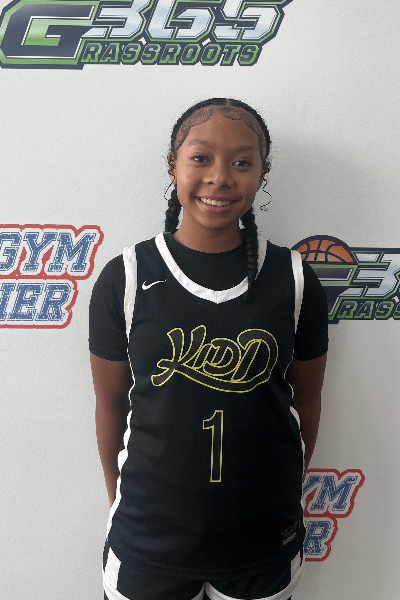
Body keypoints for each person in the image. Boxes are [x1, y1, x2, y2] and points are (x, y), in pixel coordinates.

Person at [89, 98, 328, 600]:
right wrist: (120, 502)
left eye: (242, 161)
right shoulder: (125, 276)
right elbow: (110, 405)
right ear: (172, 165)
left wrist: (283, 493)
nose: (220, 178)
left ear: (262, 173)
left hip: (261, 540)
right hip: (148, 543)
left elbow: (306, 402)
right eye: (201, 158)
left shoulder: (293, 278)